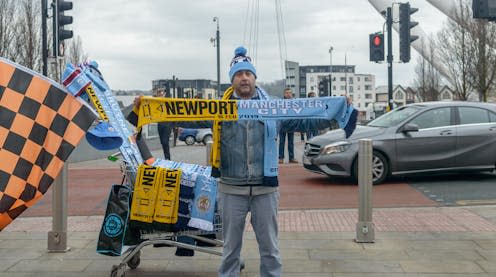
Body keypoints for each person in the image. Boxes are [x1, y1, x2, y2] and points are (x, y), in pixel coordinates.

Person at [128, 46, 345, 276]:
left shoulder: (274, 108)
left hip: (265, 189)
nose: (244, 78)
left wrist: (334, 113)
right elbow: (185, 114)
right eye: (239, 74)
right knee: (230, 250)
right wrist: (149, 107)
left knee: (270, 249)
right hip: (231, 189)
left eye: (248, 74)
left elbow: (305, 121)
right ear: (232, 80)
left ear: (254, 78)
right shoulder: (218, 109)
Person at [278, 88, 297, 164]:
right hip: (282, 124)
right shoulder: (280, 102)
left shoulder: (295, 102)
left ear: (292, 94)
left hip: (291, 124)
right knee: (281, 142)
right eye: (287, 93)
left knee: (291, 142)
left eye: (290, 93)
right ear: (284, 94)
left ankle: (291, 158)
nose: (288, 94)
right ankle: (281, 158)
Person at [154, 90, 173, 160]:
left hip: (167, 124)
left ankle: (168, 158)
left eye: (162, 94)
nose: (160, 95)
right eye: (159, 94)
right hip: (160, 124)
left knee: (165, 141)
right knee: (162, 142)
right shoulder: (155, 102)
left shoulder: (167, 101)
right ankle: (166, 157)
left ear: (164, 94)